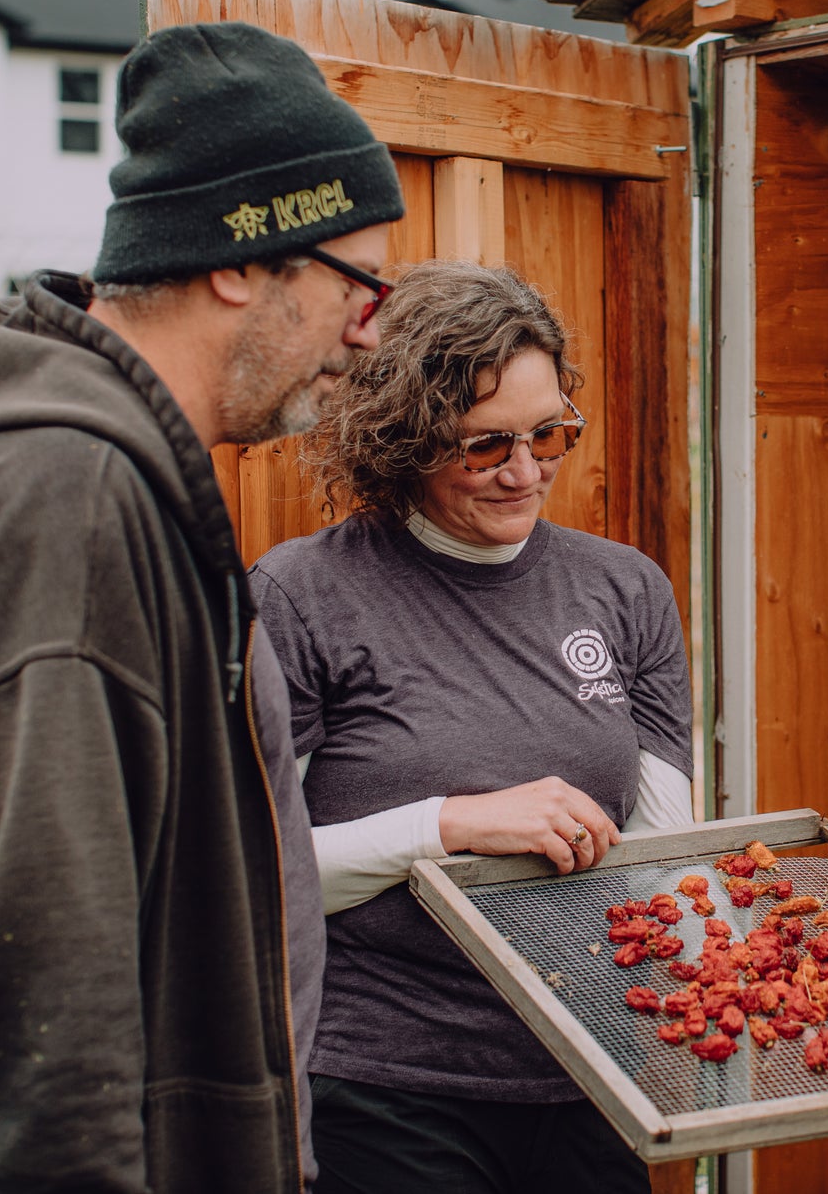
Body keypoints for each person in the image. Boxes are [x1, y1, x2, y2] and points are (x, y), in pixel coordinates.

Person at [0, 22, 404, 1192]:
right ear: (241, 260)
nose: (368, 328)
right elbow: (45, 1009)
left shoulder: (100, 468)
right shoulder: (68, 504)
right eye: (358, 282)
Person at [248, 258, 694, 1194]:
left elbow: (663, 851)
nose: (526, 472)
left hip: (590, 1077)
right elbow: (258, 871)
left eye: (549, 433)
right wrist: (450, 825)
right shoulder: (304, 595)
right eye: (484, 446)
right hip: (386, 1088)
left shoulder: (625, 589)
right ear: (402, 438)